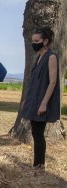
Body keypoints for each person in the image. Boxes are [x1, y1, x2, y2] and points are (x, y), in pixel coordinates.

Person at [20, 28, 60, 170]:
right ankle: (37, 164)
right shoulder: (38, 58)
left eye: (37, 41)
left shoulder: (51, 57)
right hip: (34, 100)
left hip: (42, 102)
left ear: (46, 41)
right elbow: (34, 81)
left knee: (38, 134)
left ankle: (39, 165)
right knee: (35, 133)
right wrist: (27, 99)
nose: (34, 43)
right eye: (33, 41)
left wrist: (44, 103)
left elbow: (53, 82)